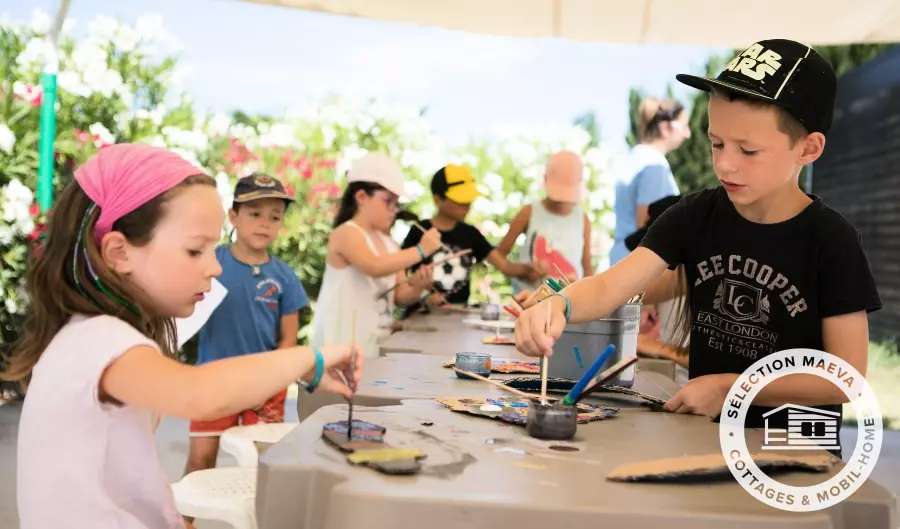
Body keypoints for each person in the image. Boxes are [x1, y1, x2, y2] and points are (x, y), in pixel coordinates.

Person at [513, 39, 882, 458]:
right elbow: (610, 287)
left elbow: (847, 377)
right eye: (716, 143)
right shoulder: (694, 216)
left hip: (796, 447)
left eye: (748, 150)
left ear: (808, 148)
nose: (724, 164)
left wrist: (733, 387)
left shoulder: (832, 241)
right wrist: (558, 305)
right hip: (709, 438)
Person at [2, 144, 362, 529]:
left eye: (213, 248)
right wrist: (310, 359)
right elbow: (199, 394)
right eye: (195, 251)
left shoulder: (88, 335)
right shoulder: (99, 340)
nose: (215, 268)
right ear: (119, 252)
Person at [183, 174, 309, 495]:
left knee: (263, 464)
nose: (265, 223)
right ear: (233, 216)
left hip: (265, 387)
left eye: (275, 217)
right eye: (255, 213)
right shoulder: (212, 263)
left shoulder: (285, 277)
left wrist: (270, 382)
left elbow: (288, 340)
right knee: (201, 461)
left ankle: (259, 516)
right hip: (213, 380)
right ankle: (182, 518)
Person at [311, 152, 439, 358]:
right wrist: (421, 250)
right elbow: (374, 266)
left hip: (375, 348)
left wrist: (417, 287)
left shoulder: (390, 244)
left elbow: (399, 297)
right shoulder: (346, 233)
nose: (394, 210)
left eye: (396, 203)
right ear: (362, 197)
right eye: (388, 201)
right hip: (340, 348)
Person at [402, 164, 541, 311]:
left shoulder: (470, 233)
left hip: (458, 314)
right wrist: (423, 297)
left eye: (469, 199)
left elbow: (505, 266)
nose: (466, 205)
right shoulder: (419, 231)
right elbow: (401, 276)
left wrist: (528, 268)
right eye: (459, 200)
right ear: (438, 199)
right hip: (421, 314)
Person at [497, 151, 594, 295]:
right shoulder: (529, 212)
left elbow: (587, 268)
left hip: (567, 302)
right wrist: (523, 270)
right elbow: (498, 256)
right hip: (527, 301)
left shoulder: (582, 219)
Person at [609, 97, 691, 266]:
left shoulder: (634, 157)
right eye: (684, 126)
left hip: (621, 259)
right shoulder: (655, 166)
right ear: (665, 127)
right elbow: (648, 225)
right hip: (637, 265)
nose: (687, 134)